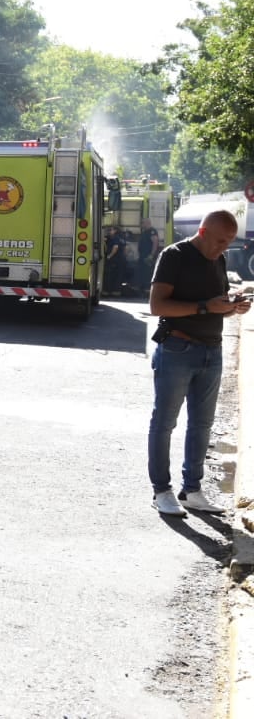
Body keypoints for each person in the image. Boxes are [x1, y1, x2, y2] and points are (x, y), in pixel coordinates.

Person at [146, 209, 251, 516]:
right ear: (203, 232)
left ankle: (192, 489)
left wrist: (232, 306)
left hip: (211, 351)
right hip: (178, 347)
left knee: (202, 425)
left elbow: (213, 305)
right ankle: (161, 491)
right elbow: (157, 306)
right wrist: (206, 307)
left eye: (229, 242)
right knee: (164, 423)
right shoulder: (174, 255)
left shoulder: (218, 259)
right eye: (219, 241)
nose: (223, 248)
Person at [137, 225, 162, 293]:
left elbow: (155, 242)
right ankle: (143, 289)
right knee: (143, 273)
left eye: (142, 223)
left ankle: (148, 291)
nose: (141, 224)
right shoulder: (145, 232)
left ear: (147, 223)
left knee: (148, 273)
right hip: (143, 256)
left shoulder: (152, 231)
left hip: (148, 256)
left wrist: (151, 255)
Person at [104, 226, 126, 296]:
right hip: (120, 260)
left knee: (110, 275)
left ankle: (109, 291)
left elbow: (115, 247)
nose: (109, 231)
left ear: (115, 231)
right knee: (118, 276)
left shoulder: (115, 238)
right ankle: (116, 291)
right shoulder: (121, 238)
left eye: (111, 230)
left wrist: (109, 256)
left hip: (114, 260)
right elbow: (126, 249)